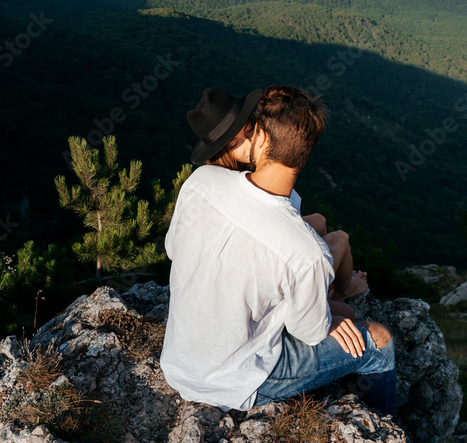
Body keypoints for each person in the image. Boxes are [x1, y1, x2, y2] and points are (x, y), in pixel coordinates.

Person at [161, 85, 396, 414]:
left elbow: (174, 248)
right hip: (236, 381)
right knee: (379, 340)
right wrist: (327, 318)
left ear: (260, 140)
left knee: (342, 310)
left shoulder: (200, 181)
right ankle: (387, 427)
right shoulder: (307, 253)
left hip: (178, 360)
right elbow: (308, 332)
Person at [189, 88, 368, 314]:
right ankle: (340, 289)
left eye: (250, 130)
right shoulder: (246, 183)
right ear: (222, 152)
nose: (249, 142)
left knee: (320, 221)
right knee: (341, 240)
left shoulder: (215, 180)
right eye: (235, 144)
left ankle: (329, 279)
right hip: (260, 281)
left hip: (256, 255)